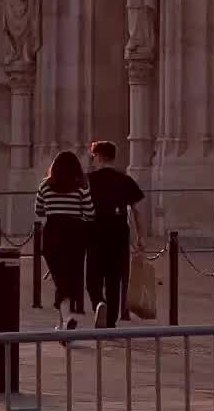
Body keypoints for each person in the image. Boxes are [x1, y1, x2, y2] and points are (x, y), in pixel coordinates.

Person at [86, 141, 145, 329]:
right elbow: (137, 210)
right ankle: (110, 321)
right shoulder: (125, 180)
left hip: (95, 232)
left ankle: (98, 303)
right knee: (114, 279)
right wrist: (140, 237)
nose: (93, 160)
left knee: (93, 277)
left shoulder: (88, 180)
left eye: (93, 156)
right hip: (119, 232)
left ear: (100, 157)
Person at [33, 150, 93, 330]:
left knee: (59, 278)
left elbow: (39, 210)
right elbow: (90, 213)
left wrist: (54, 208)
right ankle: (65, 320)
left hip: (53, 232)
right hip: (75, 234)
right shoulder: (81, 187)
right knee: (70, 277)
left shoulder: (45, 185)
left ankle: (64, 320)